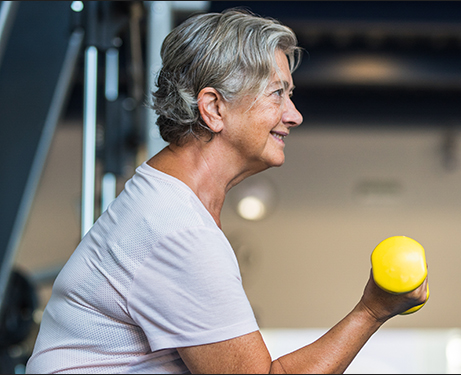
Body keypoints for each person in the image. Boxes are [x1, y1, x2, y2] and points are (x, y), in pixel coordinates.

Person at [26, 8, 428, 374]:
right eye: (277, 93)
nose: (294, 115)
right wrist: (372, 311)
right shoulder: (177, 230)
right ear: (214, 109)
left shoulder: (164, 201)